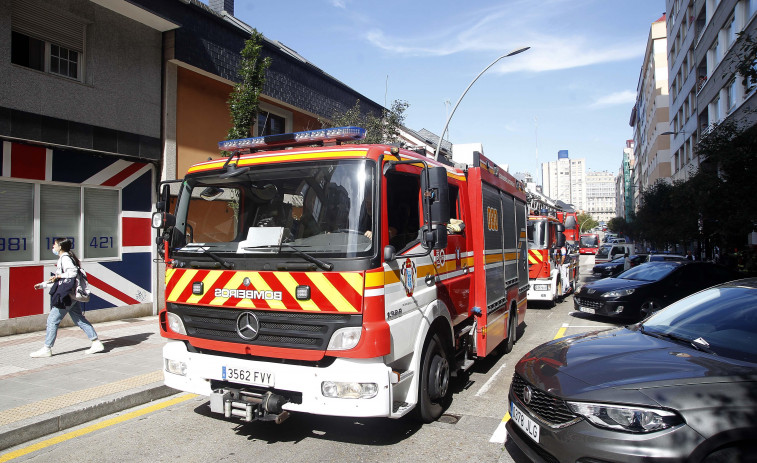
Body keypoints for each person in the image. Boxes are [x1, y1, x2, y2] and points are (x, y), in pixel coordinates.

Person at [30, 238, 105, 358]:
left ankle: (47, 348)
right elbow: (61, 281)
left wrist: (58, 275)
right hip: (72, 296)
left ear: (60, 246)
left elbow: (72, 273)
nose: (53, 247)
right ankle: (96, 343)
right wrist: (43, 285)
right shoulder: (66, 258)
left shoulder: (64, 258)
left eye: (54, 245)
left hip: (67, 296)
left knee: (52, 320)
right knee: (79, 319)